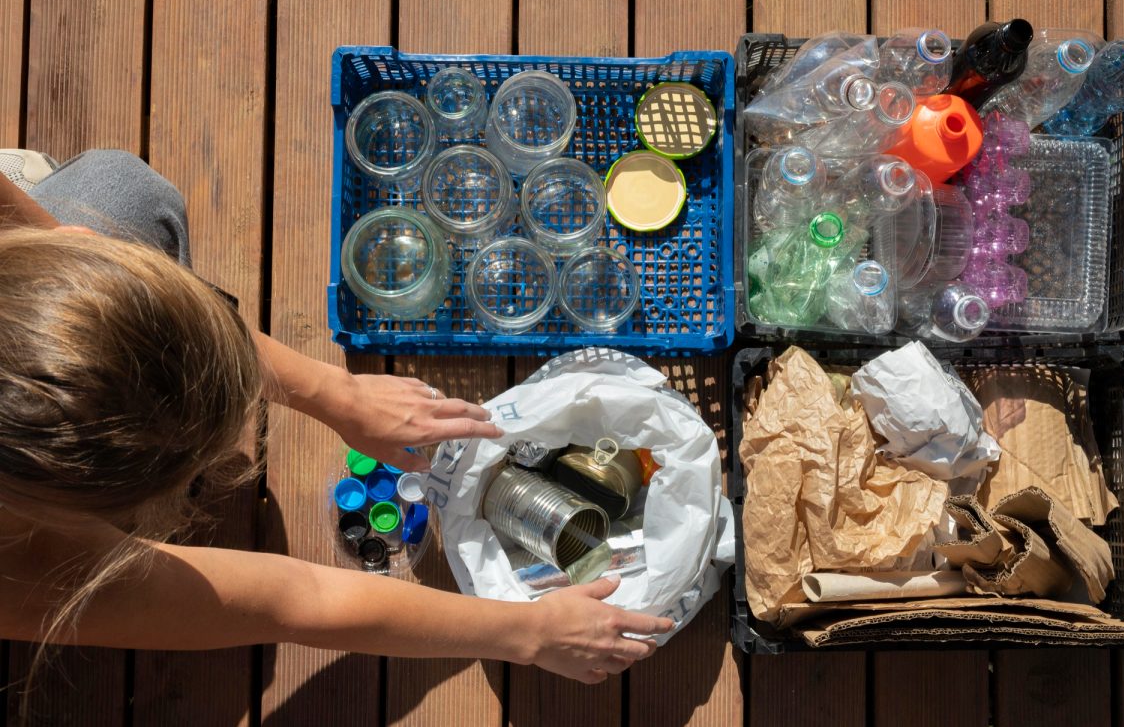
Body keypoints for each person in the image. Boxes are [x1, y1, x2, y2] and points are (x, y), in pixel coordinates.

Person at [0, 151, 673, 699]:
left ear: (73, 250)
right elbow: (295, 598)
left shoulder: (58, 245)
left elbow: (69, 250)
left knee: (124, 190)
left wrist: (335, 393)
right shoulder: (18, 569)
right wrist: (528, 634)